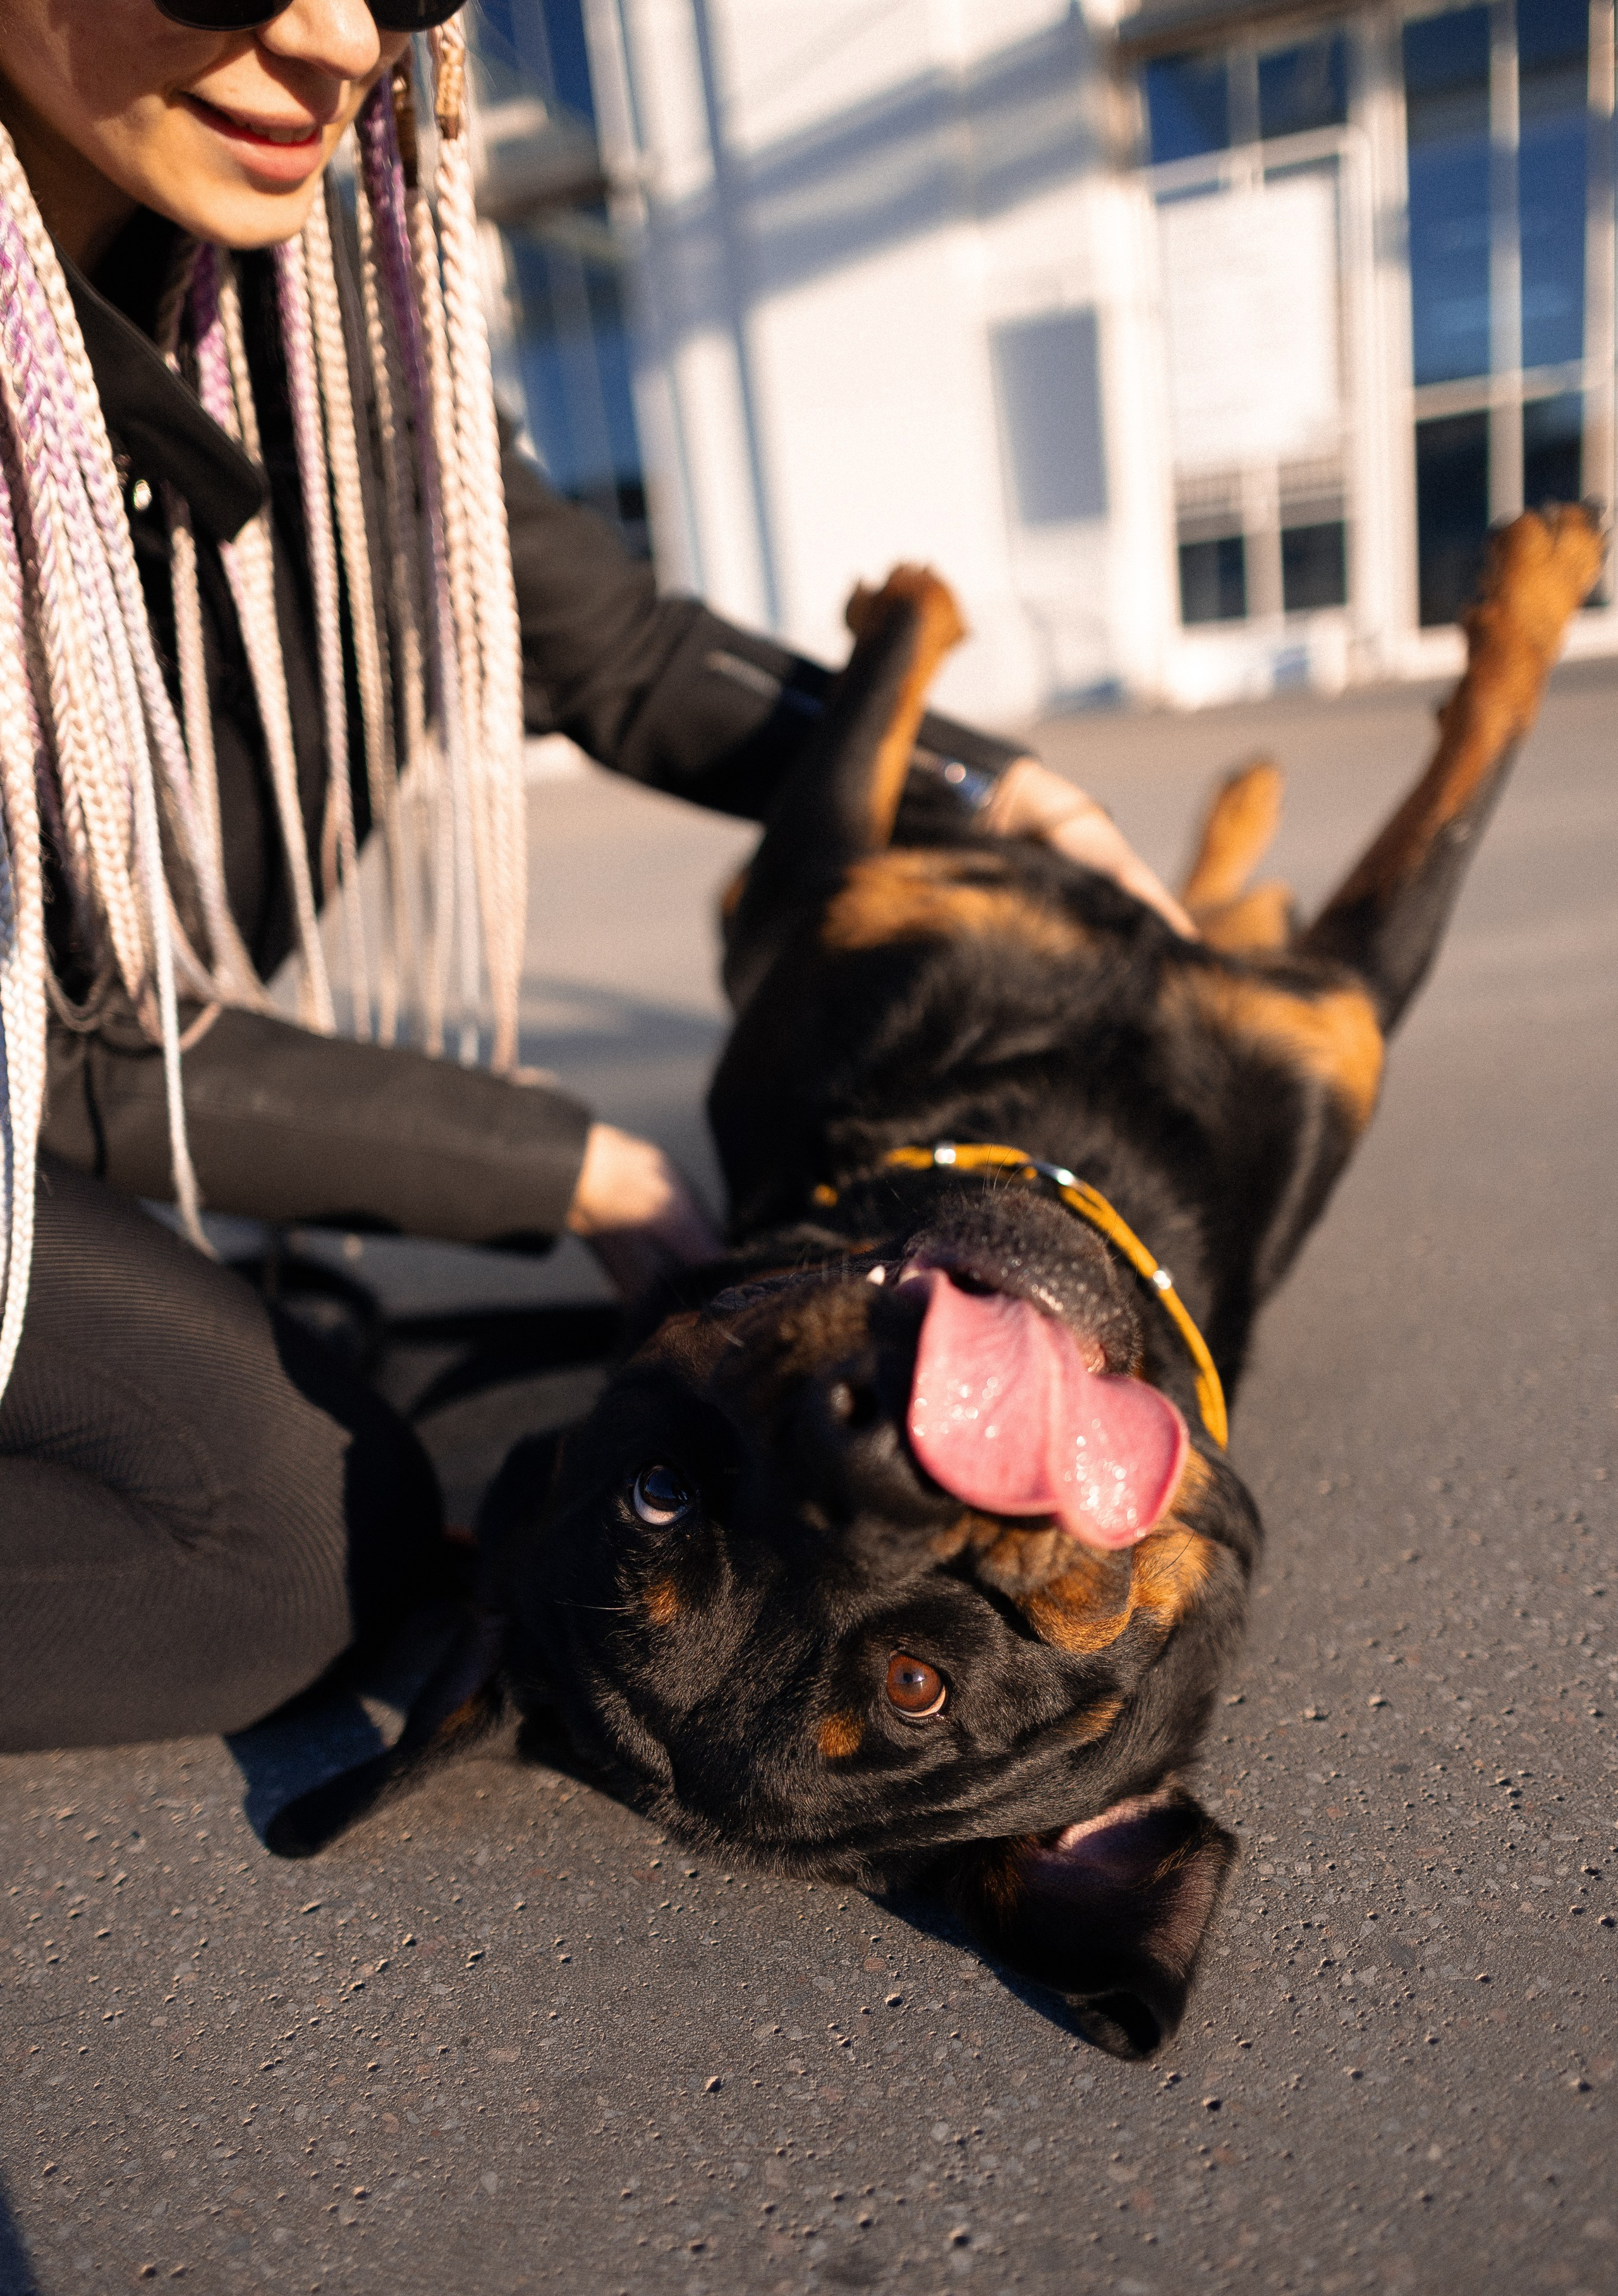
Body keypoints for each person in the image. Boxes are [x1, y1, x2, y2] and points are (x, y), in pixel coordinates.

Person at [0, 0, 1191, 1754]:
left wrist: (986, 788)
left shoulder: (303, 290)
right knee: (280, 1541)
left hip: (80, 1047)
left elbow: (612, 646)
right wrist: (577, 1163)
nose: (337, 38)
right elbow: (53, 1045)